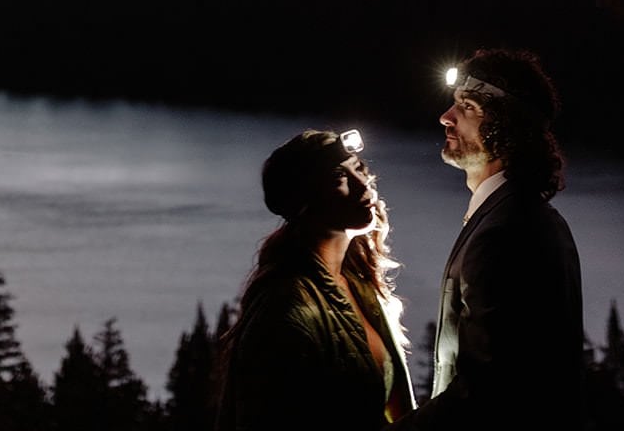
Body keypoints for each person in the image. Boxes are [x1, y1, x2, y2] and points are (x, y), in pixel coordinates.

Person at [409, 48, 584, 428]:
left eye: (466, 106)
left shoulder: (504, 232)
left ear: (506, 125)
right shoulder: (523, 216)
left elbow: (487, 391)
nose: (446, 117)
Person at [215, 127, 414, 429]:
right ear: (304, 202)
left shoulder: (359, 285)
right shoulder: (286, 310)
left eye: (359, 168)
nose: (364, 186)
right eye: (338, 178)